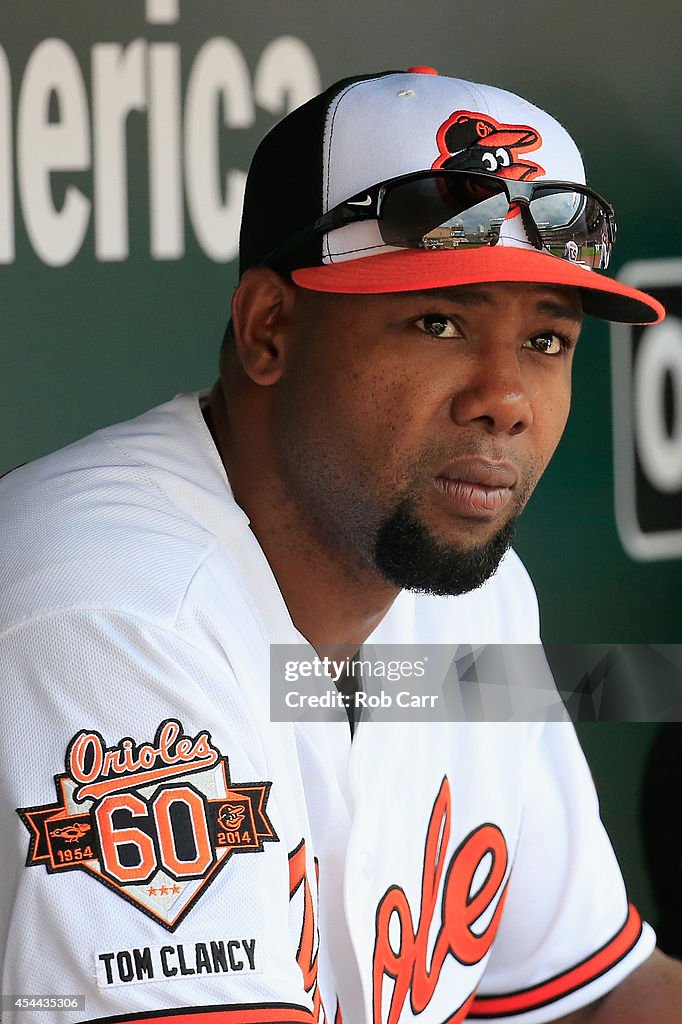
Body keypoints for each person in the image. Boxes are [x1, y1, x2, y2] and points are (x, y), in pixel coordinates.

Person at [0, 67, 679, 1024]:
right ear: (269, 330)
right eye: (438, 322)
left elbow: (596, 998)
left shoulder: (471, 593)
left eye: (547, 342)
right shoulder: (112, 611)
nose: (507, 399)